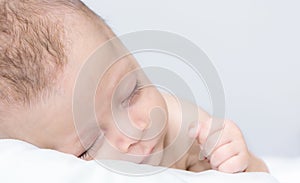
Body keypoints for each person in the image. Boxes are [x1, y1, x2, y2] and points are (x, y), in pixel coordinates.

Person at [0, 0, 268, 173]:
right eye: (89, 146)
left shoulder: (185, 129)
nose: (134, 130)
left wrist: (240, 163)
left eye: (131, 92)